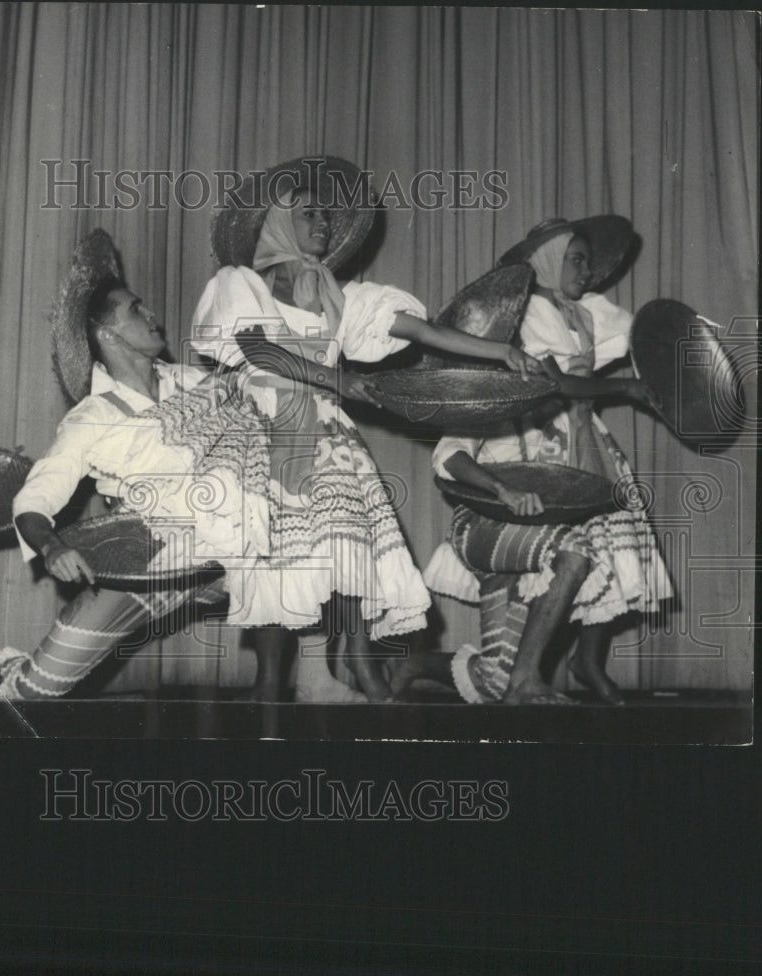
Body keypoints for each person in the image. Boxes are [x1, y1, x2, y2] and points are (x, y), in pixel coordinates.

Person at [191, 155, 543, 702]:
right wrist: (338, 379)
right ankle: (267, 689)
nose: (324, 224)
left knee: (344, 543)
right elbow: (257, 350)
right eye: (310, 214)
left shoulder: (339, 295)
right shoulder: (241, 285)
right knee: (276, 553)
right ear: (276, 223)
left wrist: (501, 350)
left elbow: (424, 331)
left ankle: (336, 666)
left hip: (325, 430)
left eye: (326, 216)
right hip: (266, 427)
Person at [0, 230, 294, 702]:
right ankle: (5, 675)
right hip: (142, 561)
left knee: (297, 551)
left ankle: (272, 690)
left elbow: (269, 399)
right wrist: (51, 548)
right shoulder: (93, 416)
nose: (152, 315)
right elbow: (33, 501)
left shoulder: (196, 384)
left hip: (218, 556)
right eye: (136, 309)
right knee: (34, 694)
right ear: (107, 333)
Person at [423, 215, 673, 704]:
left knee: (613, 537)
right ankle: (504, 674)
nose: (586, 269)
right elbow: (448, 456)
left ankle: (573, 662)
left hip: (564, 476)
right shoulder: (488, 389)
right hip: (491, 524)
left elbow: (636, 334)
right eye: (574, 260)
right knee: (499, 673)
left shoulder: (584, 316)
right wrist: (501, 489)